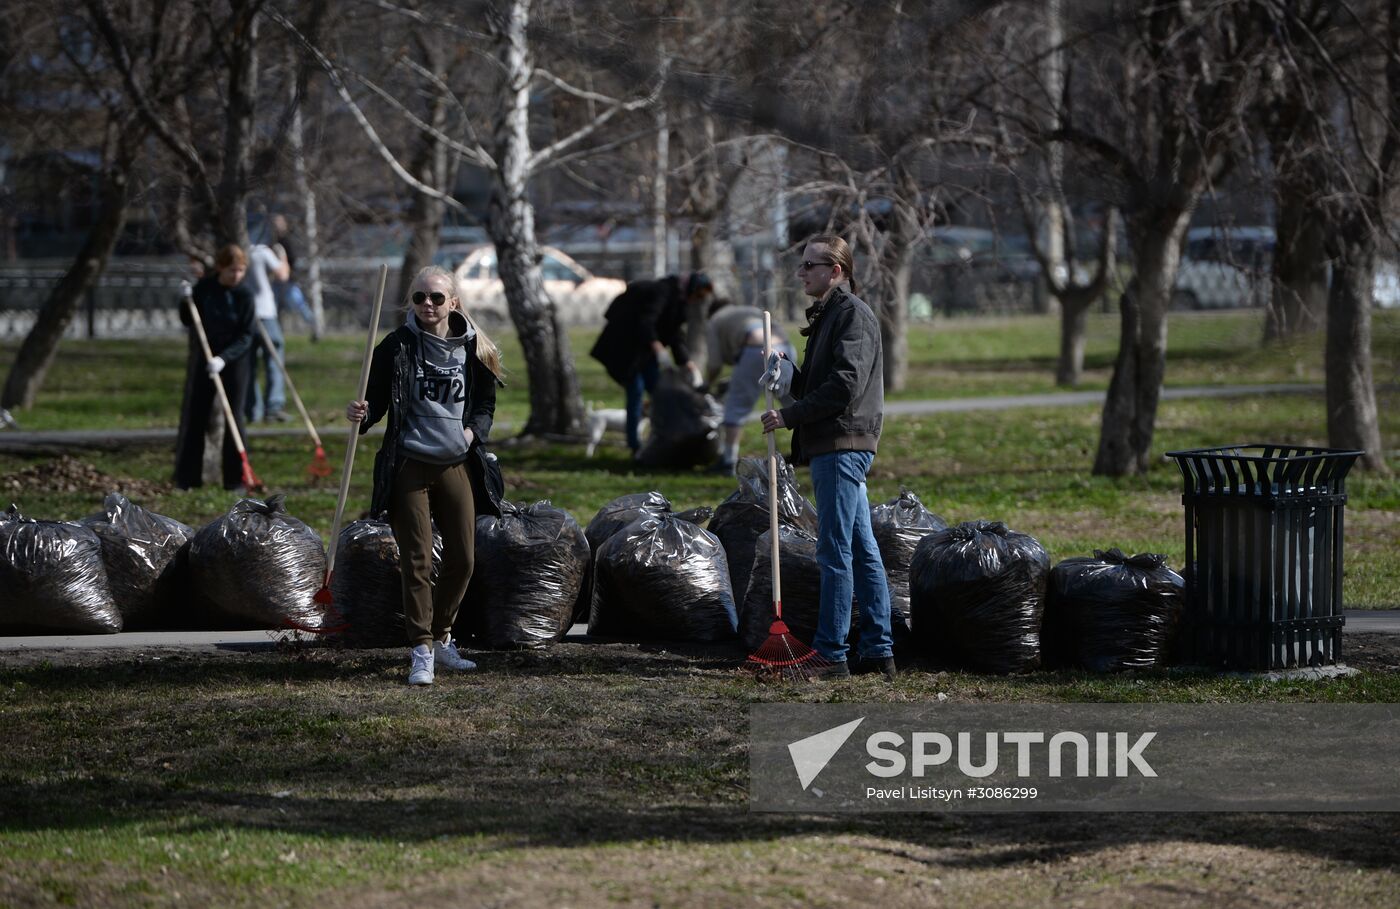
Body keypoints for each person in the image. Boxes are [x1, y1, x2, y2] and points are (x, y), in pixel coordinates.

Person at [346, 265, 505, 687]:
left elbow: (485, 405)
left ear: (454, 302)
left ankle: (442, 636)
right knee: (416, 559)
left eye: (436, 297)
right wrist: (360, 416)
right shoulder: (395, 348)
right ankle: (421, 649)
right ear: (410, 302)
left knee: (463, 558)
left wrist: (471, 433)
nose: (428, 305)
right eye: (419, 298)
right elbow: (375, 404)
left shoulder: (476, 349)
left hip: (456, 461)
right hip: (409, 462)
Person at [760, 235, 896, 681]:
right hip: (836, 443)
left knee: (834, 551)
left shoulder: (851, 314)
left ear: (835, 270)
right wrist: (789, 376)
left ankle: (830, 653)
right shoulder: (828, 316)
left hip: (842, 445)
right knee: (861, 548)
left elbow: (844, 387)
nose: (801, 274)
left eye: (809, 266)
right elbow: (824, 382)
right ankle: (878, 650)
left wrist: (788, 415)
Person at [589, 272, 712, 455]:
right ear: (692, 288)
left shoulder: (679, 302)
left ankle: (663, 437)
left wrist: (688, 363)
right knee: (636, 392)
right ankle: (634, 445)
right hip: (627, 352)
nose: (695, 300)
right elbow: (646, 323)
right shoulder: (661, 292)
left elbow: (674, 334)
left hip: (646, 354)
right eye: (697, 295)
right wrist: (659, 350)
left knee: (660, 392)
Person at [173, 244, 256, 492]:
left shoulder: (245, 295)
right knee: (196, 416)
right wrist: (185, 300)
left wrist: (224, 358)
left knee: (235, 419)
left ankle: (235, 480)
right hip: (205, 360)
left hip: (234, 362)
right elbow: (188, 319)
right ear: (220, 267)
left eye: (241, 270)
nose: (237, 275)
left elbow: (246, 335)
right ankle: (186, 479)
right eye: (232, 270)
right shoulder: (206, 289)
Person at [703, 297, 795, 473]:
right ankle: (810, 450)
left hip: (756, 350)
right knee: (793, 404)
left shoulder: (715, 320)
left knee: (736, 406)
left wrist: (708, 384)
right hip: (784, 348)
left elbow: (714, 364)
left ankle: (728, 462)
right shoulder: (746, 310)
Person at [243, 240, 291, 422]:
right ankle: (273, 407)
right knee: (274, 359)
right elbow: (282, 274)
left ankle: (253, 410)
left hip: (246, 315)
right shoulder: (261, 251)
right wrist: (283, 257)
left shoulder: (239, 250)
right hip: (265, 314)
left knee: (249, 363)